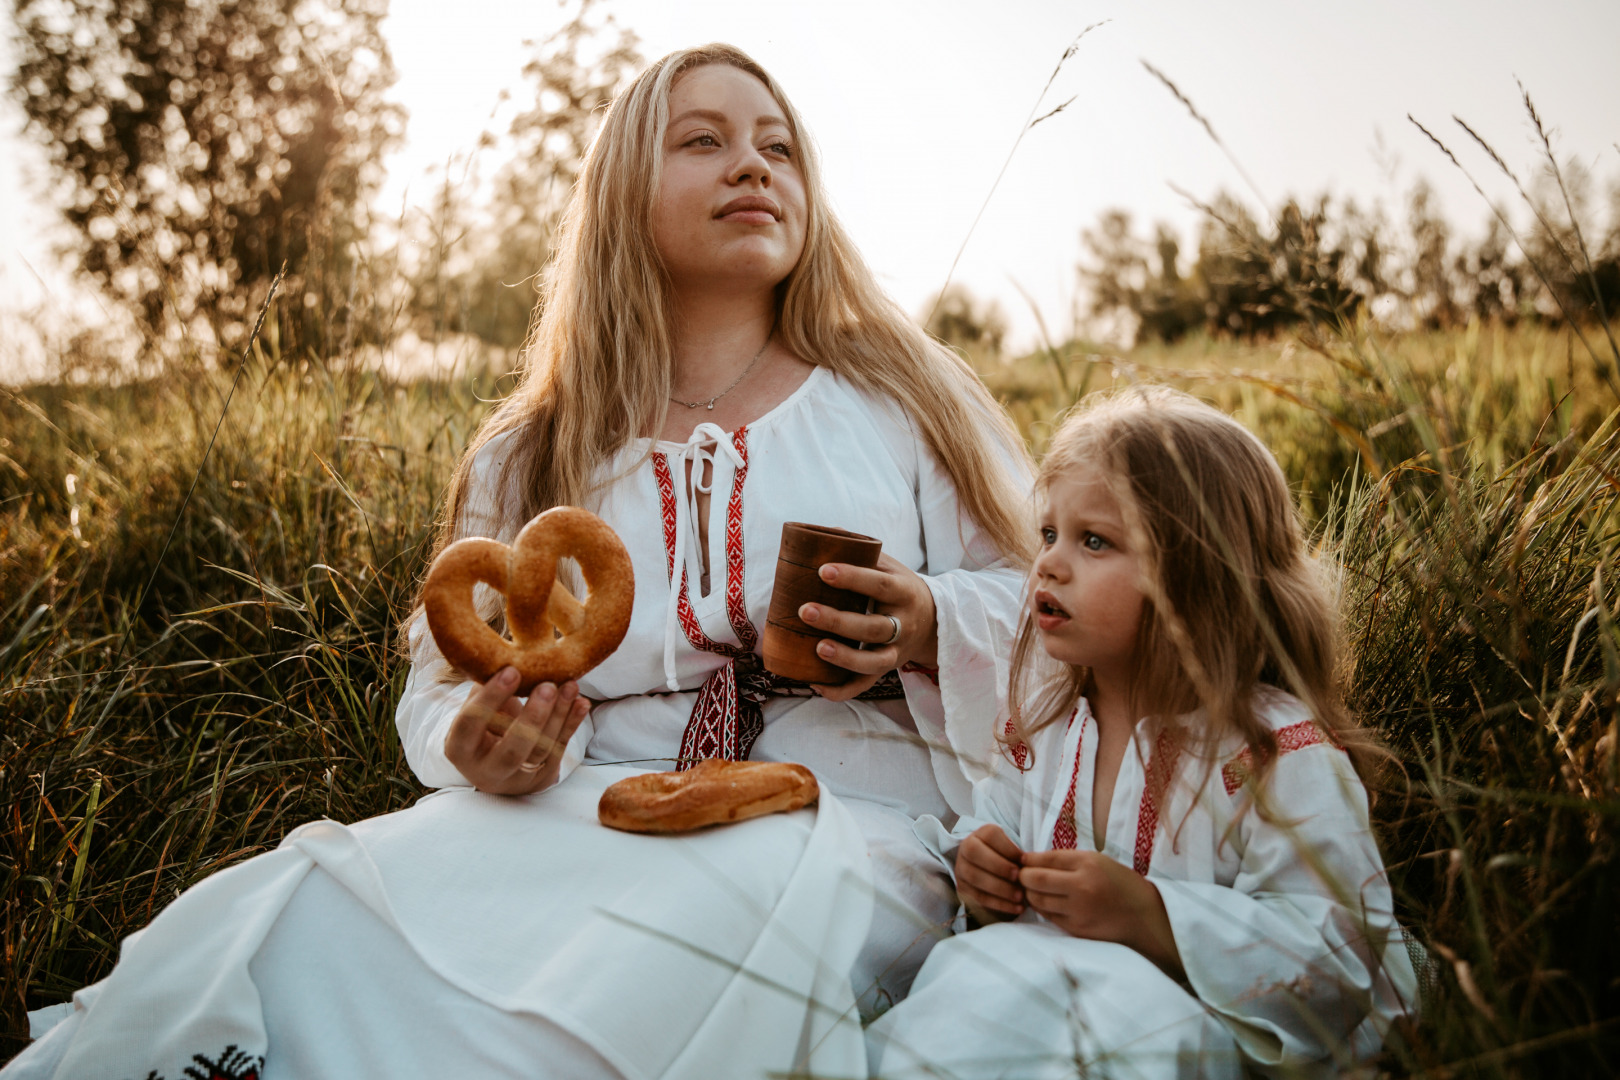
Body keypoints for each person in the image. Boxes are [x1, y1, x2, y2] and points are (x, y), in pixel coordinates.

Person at [7, 44, 1033, 1080]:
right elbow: (444, 678)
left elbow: (1052, 608)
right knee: (320, 908)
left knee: (655, 950)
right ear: (624, 194)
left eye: (778, 148)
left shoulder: (902, 398)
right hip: (579, 797)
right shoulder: (536, 446)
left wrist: (930, 619)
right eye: (703, 142)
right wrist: (478, 744)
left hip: (834, 809)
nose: (752, 167)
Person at [867, 388, 1418, 1079]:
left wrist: (1154, 918)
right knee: (966, 999)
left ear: (1197, 574)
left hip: (1183, 1023)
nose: (1049, 564)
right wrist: (983, 873)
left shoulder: (1273, 752)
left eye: (1094, 541)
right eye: (1049, 534)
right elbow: (996, 821)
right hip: (1034, 984)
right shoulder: (1048, 722)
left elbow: (1335, 955)